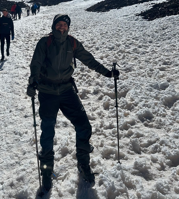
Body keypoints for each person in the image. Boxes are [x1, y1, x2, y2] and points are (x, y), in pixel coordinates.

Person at [26, 14, 120, 190]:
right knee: (47, 132)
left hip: (67, 90)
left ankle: (83, 164)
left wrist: (108, 73)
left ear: (68, 27)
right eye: (59, 25)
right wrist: (33, 81)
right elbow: (36, 63)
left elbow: (88, 60)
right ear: (54, 26)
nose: (62, 27)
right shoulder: (44, 43)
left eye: (65, 25)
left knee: (84, 126)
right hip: (47, 92)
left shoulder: (73, 43)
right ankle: (46, 171)